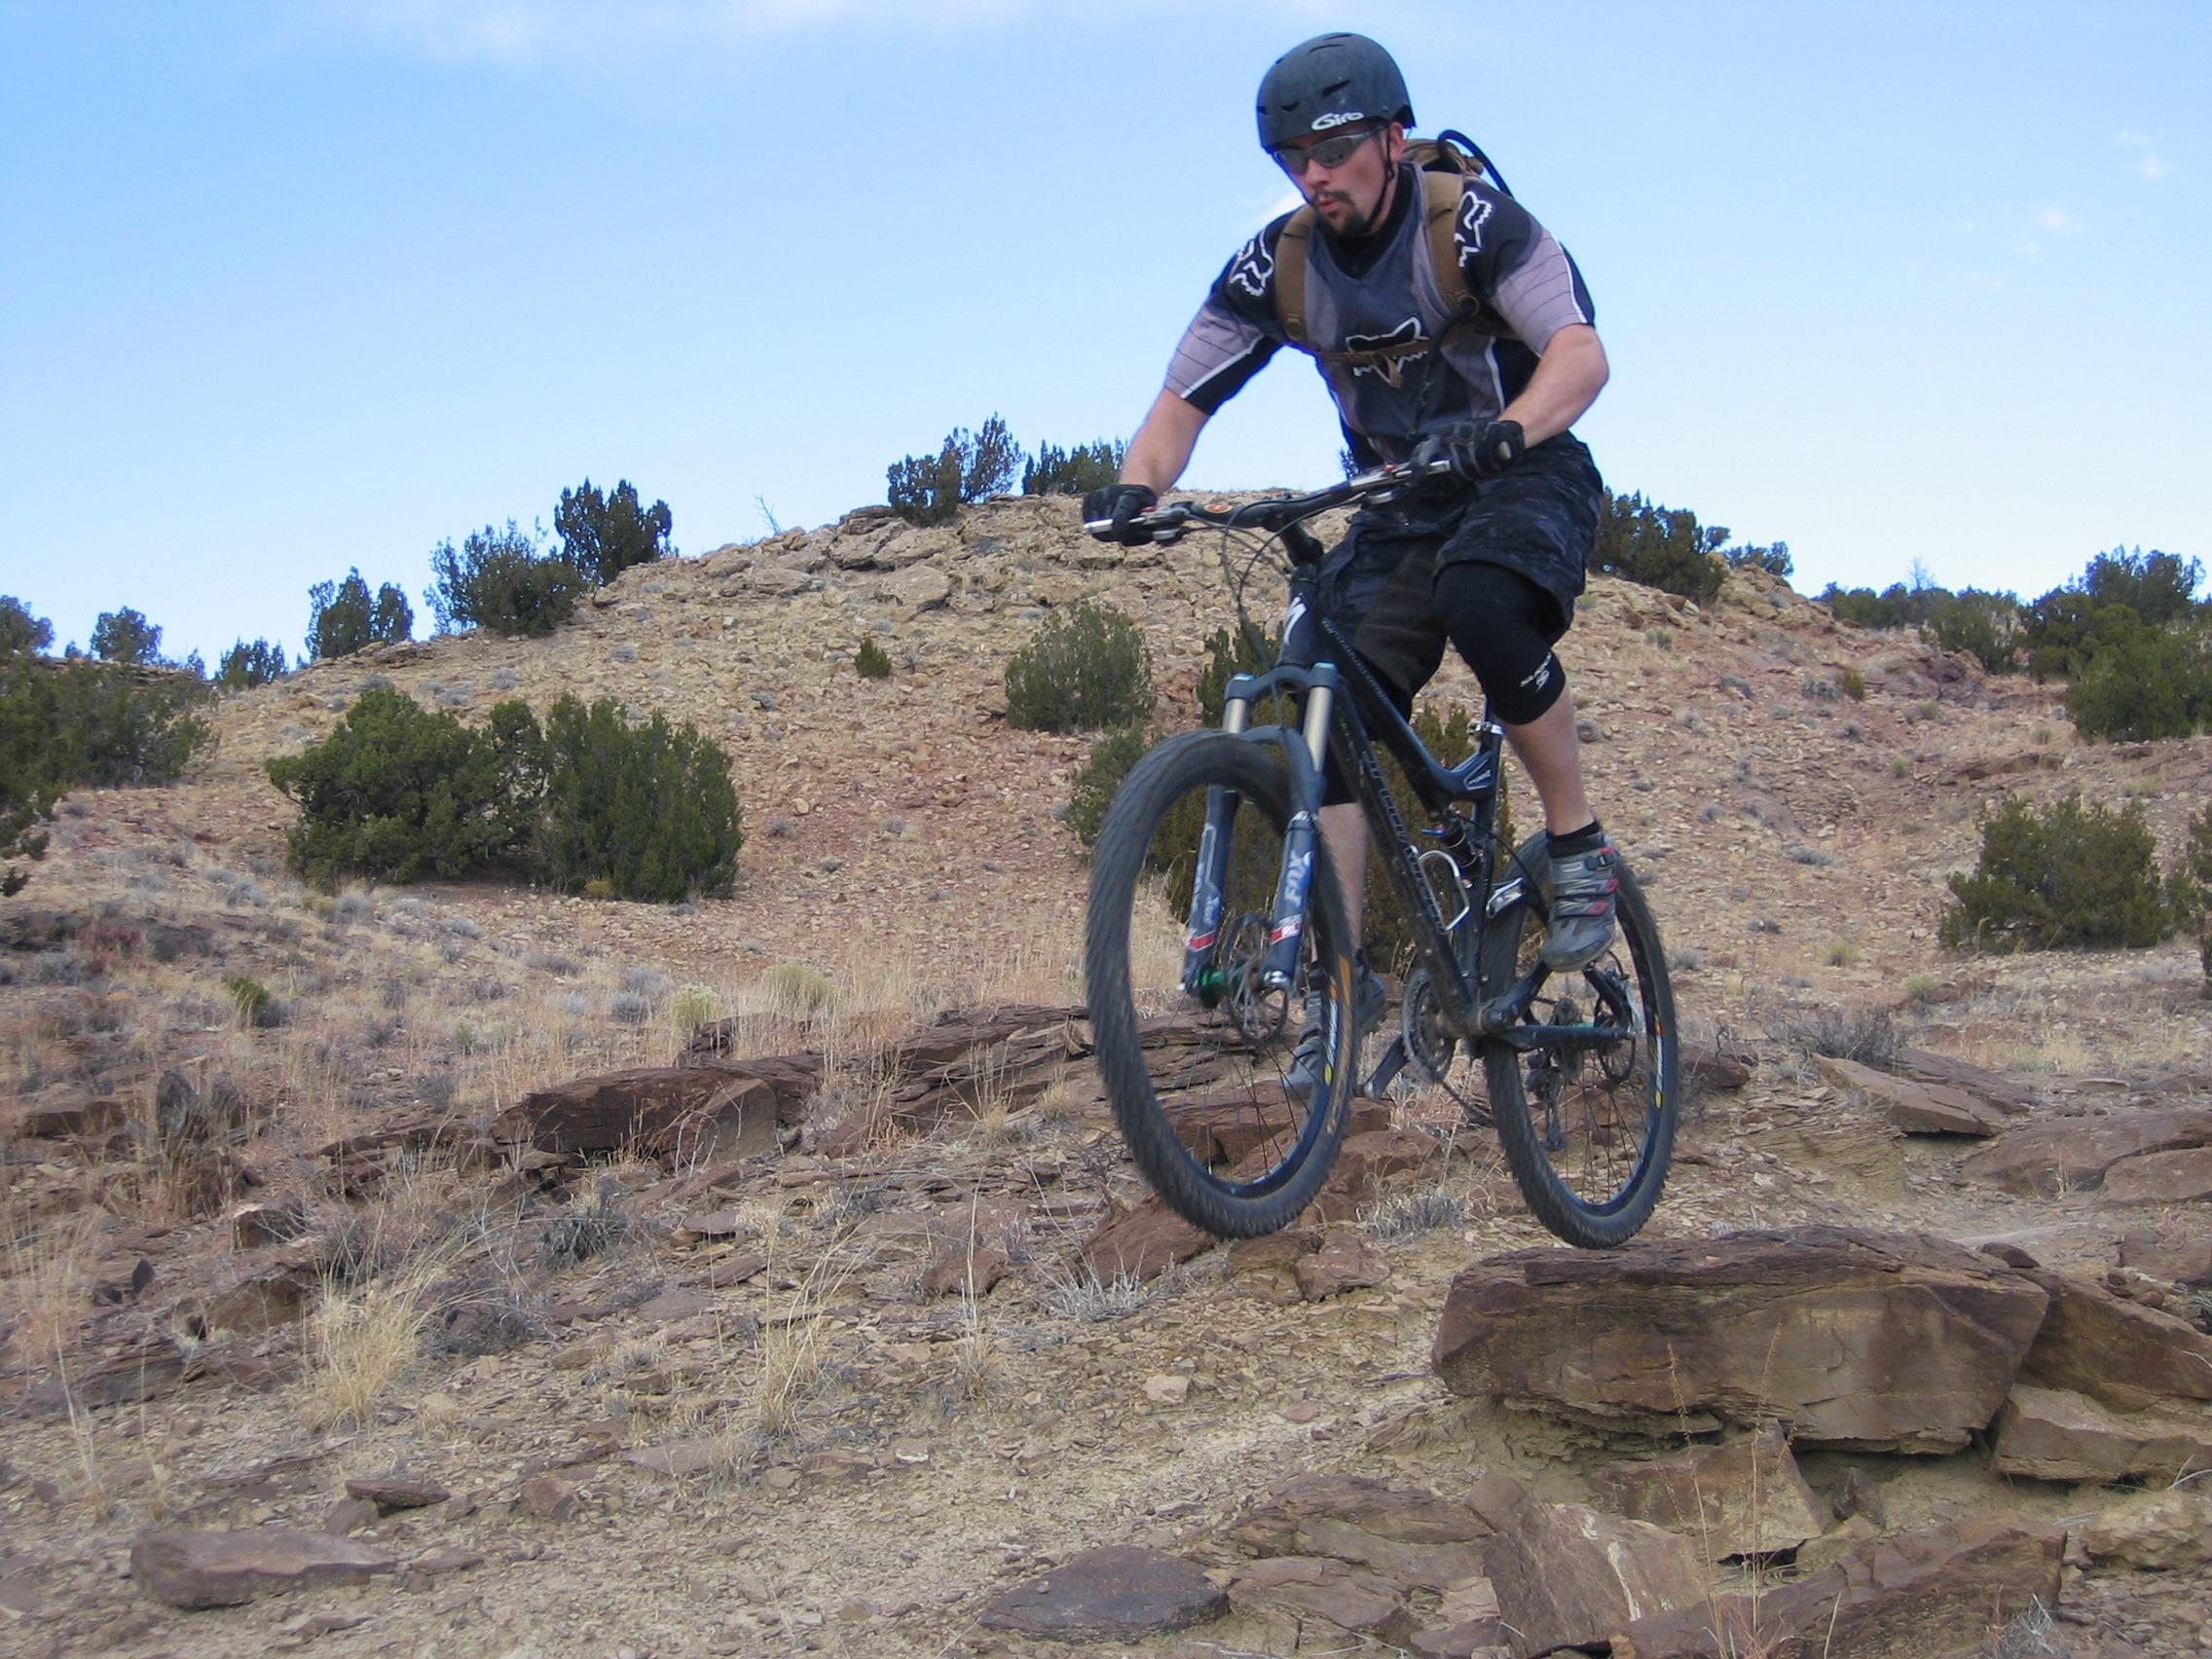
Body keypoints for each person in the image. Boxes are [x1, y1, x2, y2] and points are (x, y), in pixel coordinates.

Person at [1084, 30, 1620, 1098]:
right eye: (1292, 159)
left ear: (1389, 136)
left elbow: (1580, 351)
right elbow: (1182, 400)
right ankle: (1340, 979)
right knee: (1319, 704)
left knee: (1482, 599)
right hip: (1396, 502)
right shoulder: (1276, 264)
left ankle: (1577, 850)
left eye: (1330, 151)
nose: (1312, 176)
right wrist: (1138, 489)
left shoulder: (1468, 222)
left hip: (1525, 469)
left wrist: (1507, 432)